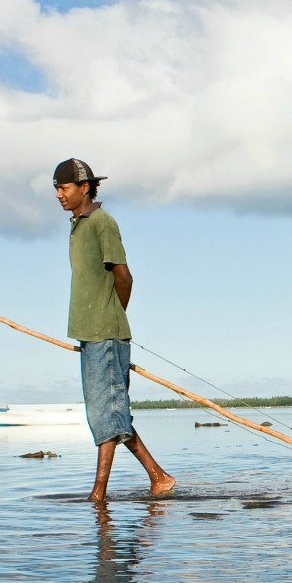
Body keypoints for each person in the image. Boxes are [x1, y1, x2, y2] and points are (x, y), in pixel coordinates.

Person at [54, 158, 175, 502]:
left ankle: (98, 494)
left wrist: (111, 316)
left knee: (107, 413)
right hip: (90, 333)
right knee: (109, 412)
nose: (59, 195)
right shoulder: (78, 225)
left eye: (64, 188)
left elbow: (124, 277)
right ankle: (159, 477)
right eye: (57, 189)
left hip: (106, 333)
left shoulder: (101, 223)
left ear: (85, 187)